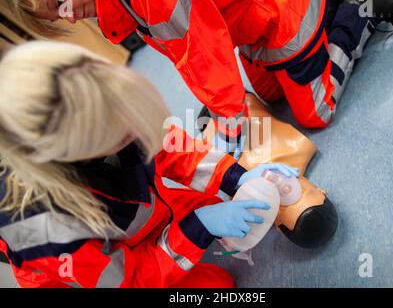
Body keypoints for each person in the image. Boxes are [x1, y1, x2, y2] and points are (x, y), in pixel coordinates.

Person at [0, 41, 299, 288]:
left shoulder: (102, 113)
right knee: (215, 285)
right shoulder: (48, 234)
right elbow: (130, 282)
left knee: (212, 204)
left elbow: (172, 148)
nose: (136, 126)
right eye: (123, 132)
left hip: (130, 215)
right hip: (104, 272)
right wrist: (199, 227)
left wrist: (237, 178)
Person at [1, 0, 393, 157]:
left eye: (59, 0)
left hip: (276, 6)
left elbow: (203, 52)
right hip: (248, 21)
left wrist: (228, 125)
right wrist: (221, 111)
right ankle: (326, 2)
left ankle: (359, 7)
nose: (71, 16)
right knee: (270, 96)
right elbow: (190, 50)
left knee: (315, 112)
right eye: (59, 19)